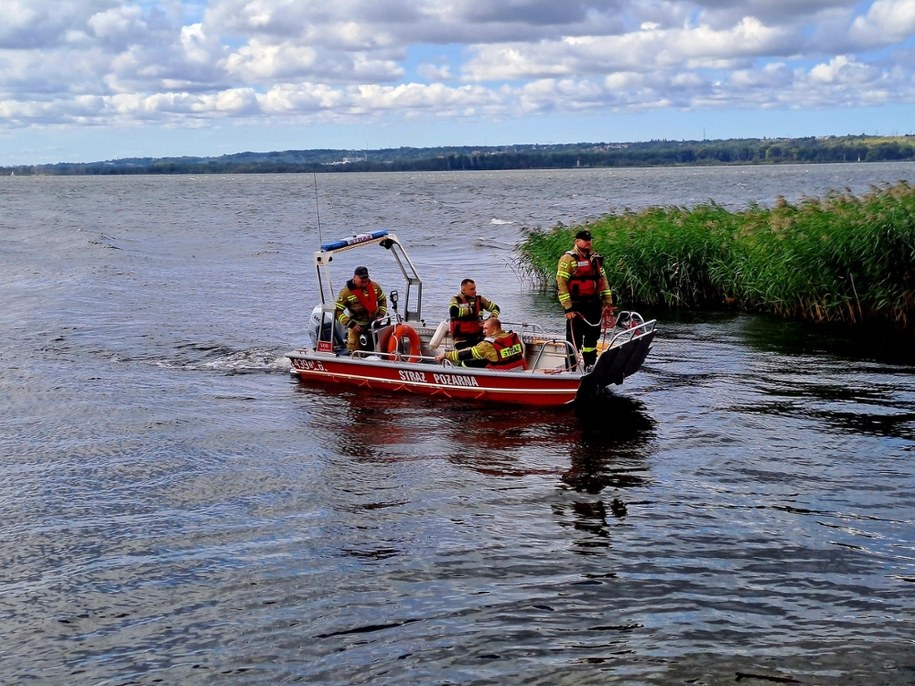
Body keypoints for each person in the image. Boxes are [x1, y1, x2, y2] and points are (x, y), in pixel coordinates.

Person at [556, 229, 614, 370]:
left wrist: (608, 302)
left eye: (589, 240)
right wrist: (568, 308)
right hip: (576, 305)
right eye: (585, 240)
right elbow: (561, 283)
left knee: (592, 337)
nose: (588, 242)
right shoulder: (568, 259)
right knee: (573, 339)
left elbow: (603, 281)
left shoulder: (595, 259)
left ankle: (590, 365)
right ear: (577, 241)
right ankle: (571, 368)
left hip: (594, 304)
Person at [435, 317, 524, 369]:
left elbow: (467, 353)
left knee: (466, 362)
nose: (483, 331)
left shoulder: (488, 345)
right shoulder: (511, 337)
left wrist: (446, 355)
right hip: (519, 368)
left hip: (502, 373)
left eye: (486, 329)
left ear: (494, 329)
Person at [335, 265, 388, 352]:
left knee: (380, 348)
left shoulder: (375, 287)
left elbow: (382, 300)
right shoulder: (346, 293)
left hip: (374, 324)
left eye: (366, 277)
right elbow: (337, 311)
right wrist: (350, 323)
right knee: (354, 351)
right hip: (357, 327)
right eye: (361, 278)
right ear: (354, 277)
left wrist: (380, 315)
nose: (364, 280)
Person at [448, 278, 500, 349]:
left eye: (475, 288)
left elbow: (496, 308)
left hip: (479, 337)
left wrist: (489, 320)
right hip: (461, 340)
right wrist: (470, 310)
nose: (475, 291)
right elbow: (453, 311)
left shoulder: (480, 299)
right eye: (472, 289)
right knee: (469, 354)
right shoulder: (456, 299)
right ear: (463, 290)